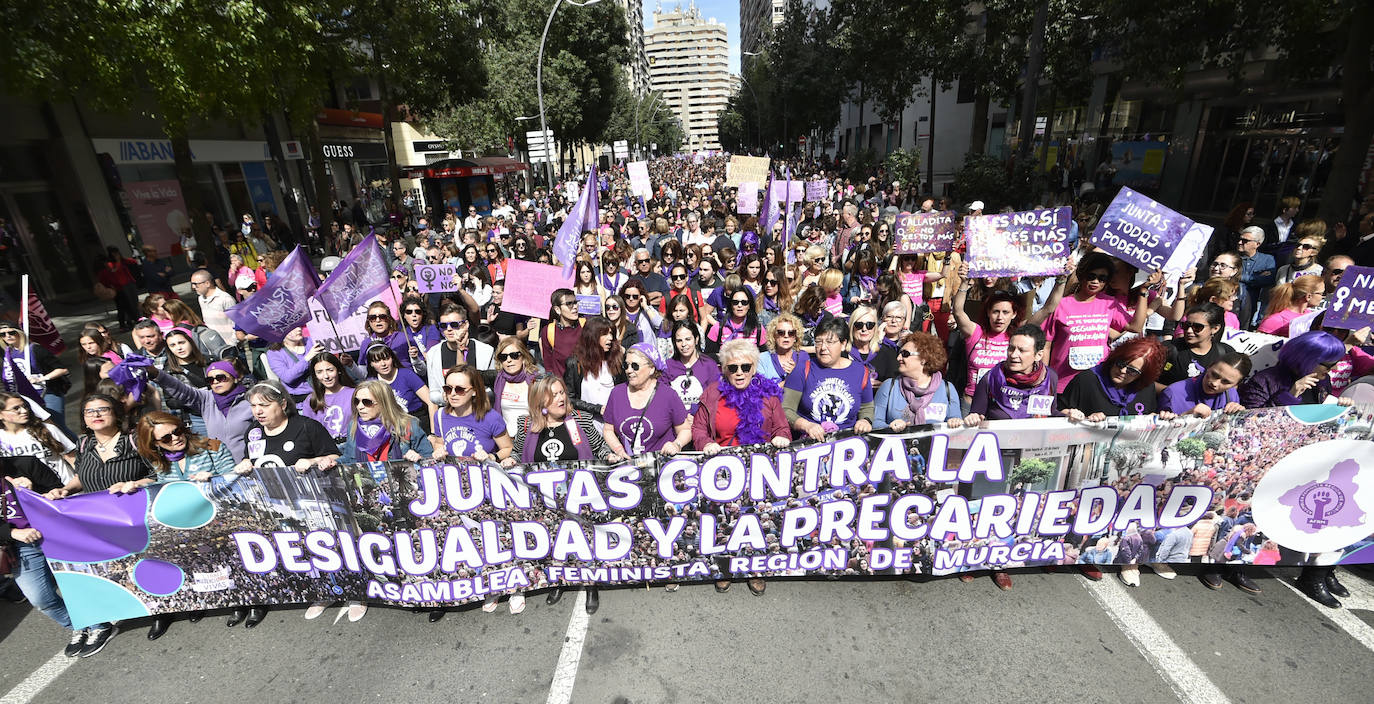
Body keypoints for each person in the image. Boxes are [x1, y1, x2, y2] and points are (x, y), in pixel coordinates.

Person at [45, 393, 156, 654]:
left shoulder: (134, 439)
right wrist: (65, 490)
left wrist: (135, 484)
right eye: (89, 412)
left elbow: (156, 474)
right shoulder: (83, 443)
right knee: (101, 570)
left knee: (143, 565)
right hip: (96, 521)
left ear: (116, 413)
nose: (95, 415)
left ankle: (160, 612)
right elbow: (81, 478)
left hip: (134, 519)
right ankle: (100, 621)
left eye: (102, 410)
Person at [504, 374, 619, 615]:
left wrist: (609, 456)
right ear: (540, 401)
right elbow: (517, 453)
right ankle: (558, 581)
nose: (561, 398)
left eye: (562, 392)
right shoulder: (527, 425)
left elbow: (599, 447)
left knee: (583, 542)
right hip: (544, 500)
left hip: (579, 496)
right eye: (553, 394)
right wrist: (510, 461)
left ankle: (590, 584)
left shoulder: (581, 420)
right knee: (554, 544)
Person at [232, 380, 341, 628]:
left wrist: (313, 461)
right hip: (277, 509)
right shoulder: (253, 432)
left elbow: (334, 455)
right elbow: (252, 459)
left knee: (331, 548)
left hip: (315, 503)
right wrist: (245, 464)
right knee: (303, 553)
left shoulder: (306, 427)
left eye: (264, 405)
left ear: (282, 404)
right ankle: (322, 593)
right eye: (253, 405)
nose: (258, 411)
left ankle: (356, 595)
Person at [691, 338, 790, 596]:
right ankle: (725, 567)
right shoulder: (712, 393)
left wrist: (781, 437)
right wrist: (706, 443)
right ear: (724, 369)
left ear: (754, 368)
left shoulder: (768, 394)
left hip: (758, 469)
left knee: (755, 521)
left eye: (745, 367)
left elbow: (782, 427)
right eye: (733, 368)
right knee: (724, 520)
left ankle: (755, 569)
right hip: (721, 470)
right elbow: (699, 428)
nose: (739, 373)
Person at [131, 412, 233, 639]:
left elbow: (233, 475)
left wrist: (214, 476)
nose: (175, 438)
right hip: (183, 525)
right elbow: (158, 484)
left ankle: (247, 604)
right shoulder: (158, 461)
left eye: (176, 430)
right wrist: (138, 483)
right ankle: (198, 601)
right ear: (155, 444)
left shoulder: (211, 445)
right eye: (166, 438)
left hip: (218, 517)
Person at [1, 454, 81, 655]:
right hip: (20, 546)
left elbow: (60, 493)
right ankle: (78, 625)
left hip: (55, 533)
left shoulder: (25, 464)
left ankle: (99, 625)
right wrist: (12, 532)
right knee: (39, 597)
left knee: (78, 582)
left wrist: (34, 492)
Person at [1042, 253, 1150, 392]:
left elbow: (1135, 327)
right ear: (1081, 275)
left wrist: (1143, 291)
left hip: (1098, 383)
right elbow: (1046, 344)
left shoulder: (1109, 303)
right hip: (1063, 384)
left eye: (1102, 278)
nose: (1096, 282)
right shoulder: (1061, 304)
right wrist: (1046, 380)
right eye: (1091, 276)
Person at [783, 318, 875, 440]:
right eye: (819, 342)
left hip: (847, 442)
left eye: (830, 342)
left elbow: (866, 407)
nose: (823, 347)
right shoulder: (803, 368)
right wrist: (806, 425)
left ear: (843, 344)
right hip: (809, 443)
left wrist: (865, 421)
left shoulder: (860, 372)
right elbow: (786, 409)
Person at [600, 343, 691, 458]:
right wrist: (619, 450)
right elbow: (608, 430)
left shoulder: (668, 395)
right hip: (629, 466)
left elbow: (685, 430)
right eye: (626, 365)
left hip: (660, 466)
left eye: (635, 366)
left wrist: (676, 445)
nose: (629, 370)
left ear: (651, 369)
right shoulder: (617, 393)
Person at [154, 360, 254, 461]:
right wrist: (155, 373)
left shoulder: (251, 401)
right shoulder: (206, 399)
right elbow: (180, 389)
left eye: (220, 378)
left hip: (247, 463)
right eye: (210, 380)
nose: (215, 382)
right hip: (220, 465)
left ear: (234, 378)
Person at [963, 324, 1060, 425]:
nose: (1013, 355)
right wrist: (973, 418)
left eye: (1022, 350)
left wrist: (1068, 415)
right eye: (1011, 348)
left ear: (1038, 355)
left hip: (1035, 439)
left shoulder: (1049, 378)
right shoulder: (991, 378)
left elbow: (1051, 414)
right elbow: (976, 415)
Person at [1060, 337, 1170, 422]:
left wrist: (1161, 418)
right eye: (1120, 363)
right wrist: (1081, 417)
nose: (1122, 371)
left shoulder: (1146, 387)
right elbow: (1059, 411)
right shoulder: (1086, 380)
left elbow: (1149, 416)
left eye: (1132, 371)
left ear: (1143, 375)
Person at [950, 285, 1027, 403]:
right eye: (996, 311)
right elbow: (958, 311)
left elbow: (1047, 310)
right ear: (988, 312)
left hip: (1001, 403)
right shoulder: (975, 332)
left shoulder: (1016, 337)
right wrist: (964, 283)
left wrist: (1061, 281)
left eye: (1005, 312)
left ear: (1014, 314)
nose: (1000, 317)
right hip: (971, 401)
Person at [873, 332, 963, 430]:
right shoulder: (889, 386)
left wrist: (955, 422)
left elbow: (955, 423)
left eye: (905, 354)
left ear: (923, 358)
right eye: (899, 353)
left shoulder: (947, 389)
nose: (898, 358)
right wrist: (890, 427)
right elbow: (875, 423)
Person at [1238, 330, 1348, 408]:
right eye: (1329, 364)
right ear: (1305, 359)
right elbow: (1251, 420)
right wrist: (1289, 396)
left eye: (1337, 362)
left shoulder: (1323, 380)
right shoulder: (1264, 381)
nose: (1335, 368)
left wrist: (1339, 406)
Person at [0, 323, 72, 438]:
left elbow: (62, 369)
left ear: (19, 333)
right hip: (27, 395)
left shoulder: (35, 349)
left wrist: (41, 378)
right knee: (40, 427)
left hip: (48, 392)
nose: (7, 336)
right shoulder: (8, 354)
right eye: (3, 334)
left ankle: (78, 450)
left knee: (57, 426)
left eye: (11, 332)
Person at [429, 366, 512, 463]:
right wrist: (439, 451)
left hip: (483, 474)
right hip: (452, 474)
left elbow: (508, 448)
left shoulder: (491, 417)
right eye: (448, 389)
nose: (452, 394)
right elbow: (439, 443)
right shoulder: (440, 415)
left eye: (459, 389)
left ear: (474, 391)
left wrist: (492, 457)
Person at [0, 391, 75, 484]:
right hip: (32, 494)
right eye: (16, 408)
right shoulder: (2, 439)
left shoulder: (47, 429)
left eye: (24, 406)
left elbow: (72, 458)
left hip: (65, 488)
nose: (24, 411)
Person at [1157, 303, 1235, 390]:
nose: (1189, 331)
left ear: (1215, 328)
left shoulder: (1226, 353)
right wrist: (1174, 394)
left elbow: (1234, 385)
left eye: (1197, 327)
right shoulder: (1168, 349)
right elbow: (1147, 383)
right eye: (1186, 325)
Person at [425, 306, 495, 401]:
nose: (449, 329)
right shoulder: (433, 354)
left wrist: (471, 396)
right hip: (450, 411)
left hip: (478, 410)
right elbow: (433, 394)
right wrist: (447, 397)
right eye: (443, 326)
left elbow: (493, 389)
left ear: (466, 324)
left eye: (454, 324)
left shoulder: (485, 351)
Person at [364, 343, 436, 434]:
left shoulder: (406, 374)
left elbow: (432, 402)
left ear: (392, 358)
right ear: (371, 364)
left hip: (418, 424)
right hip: (392, 429)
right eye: (377, 361)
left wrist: (434, 434)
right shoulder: (371, 383)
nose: (383, 364)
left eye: (386, 358)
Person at [563, 317, 625, 416]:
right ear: (592, 336)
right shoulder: (575, 363)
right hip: (586, 424)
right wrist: (596, 409)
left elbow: (623, 392)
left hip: (612, 423)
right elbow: (568, 398)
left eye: (611, 334)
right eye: (605, 334)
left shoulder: (616, 361)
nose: (610, 338)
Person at [1158, 352, 1250, 417]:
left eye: (1225, 382)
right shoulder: (1173, 393)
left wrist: (1237, 415)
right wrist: (1186, 416)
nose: (1215, 383)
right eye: (1214, 375)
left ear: (1236, 385)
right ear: (1209, 366)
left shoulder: (1231, 395)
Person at [663, 320, 719, 413]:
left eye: (688, 339)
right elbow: (663, 398)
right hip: (675, 421)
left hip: (702, 420)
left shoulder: (709, 365)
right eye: (679, 341)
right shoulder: (668, 366)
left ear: (696, 339)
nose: (684, 344)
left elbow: (714, 399)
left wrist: (696, 415)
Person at [491, 338, 539, 436]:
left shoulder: (536, 381)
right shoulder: (499, 379)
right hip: (506, 439)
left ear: (524, 357)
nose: (509, 360)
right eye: (503, 357)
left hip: (532, 438)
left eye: (514, 355)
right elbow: (469, 375)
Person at [1256, 275, 1324, 336]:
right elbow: (1258, 345)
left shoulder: (1310, 315)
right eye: (1321, 293)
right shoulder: (1277, 319)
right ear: (1308, 296)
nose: (1322, 297)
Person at [264, 327, 319, 399]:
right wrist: (307, 359)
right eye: (293, 328)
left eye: (299, 326)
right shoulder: (274, 353)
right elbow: (287, 377)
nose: (299, 329)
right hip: (301, 399)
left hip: (322, 392)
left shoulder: (311, 341)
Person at [540, 288, 582, 379]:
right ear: (557, 309)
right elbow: (549, 367)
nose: (574, 306)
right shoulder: (548, 331)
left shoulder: (586, 326)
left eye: (575, 302)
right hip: (562, 388)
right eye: (569, 304)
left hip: (585, 387)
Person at [757, 313, 808, 383]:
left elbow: (809, 387)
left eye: (791, 333)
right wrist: (790, 378)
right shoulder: (762, 359)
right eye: (781, 332)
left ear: (796, 337)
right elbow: (761, 390)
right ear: (774, 335)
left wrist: (797, 375)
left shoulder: (803, 357)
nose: (786, 336)